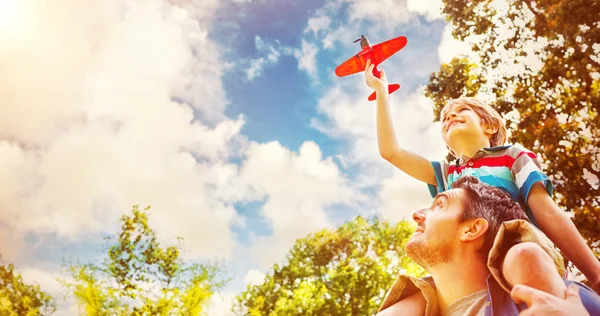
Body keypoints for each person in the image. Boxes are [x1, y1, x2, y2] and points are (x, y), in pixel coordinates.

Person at [364, 59, 600, 294]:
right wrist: (381, 92)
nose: (450, 117)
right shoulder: (448, 175)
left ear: (490, 127)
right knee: (409, 297)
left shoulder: (512, 156)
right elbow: (390, 152)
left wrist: (594, 273)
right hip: (464, 269)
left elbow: (546, 211)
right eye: (445, 118)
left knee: (521, 258)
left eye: (461, 111)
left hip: (519, 253)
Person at [375, 176, 600, 316]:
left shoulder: (561, 297)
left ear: (472, 229)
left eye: (440, 205)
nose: (417, 215)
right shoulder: (405, 309)